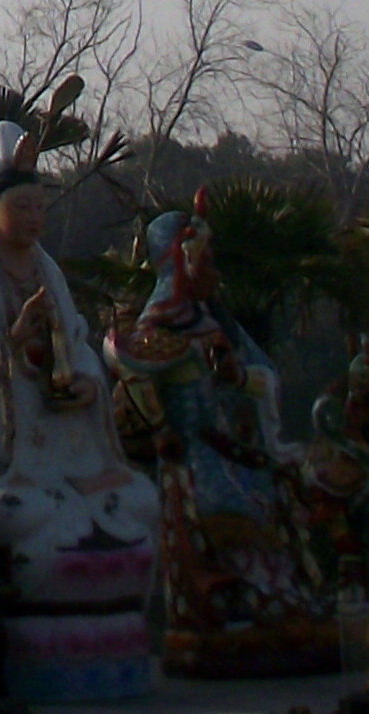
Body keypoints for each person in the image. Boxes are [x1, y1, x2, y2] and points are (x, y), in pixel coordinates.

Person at [106, 191, 333, 674]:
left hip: (237, 450)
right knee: (229, 516)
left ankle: (276, 605)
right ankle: (234, 610)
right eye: (205, 260)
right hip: (195, 459)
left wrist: (234, 376)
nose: (214, 270)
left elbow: (259, 374)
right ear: (181, 260)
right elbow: (135, 377)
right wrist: (164, 422)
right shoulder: (157, 326)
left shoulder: (212, 319)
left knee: (278, 502)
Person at [0, 123, 157, 603]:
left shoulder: (47, 270)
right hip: (2, 449)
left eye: (40, 207)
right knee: (3, 511)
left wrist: (89, 385)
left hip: (65, 441)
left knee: (139, 498)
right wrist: (9, 343)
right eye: (21, 207)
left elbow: (77, 344)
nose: (34, 218)